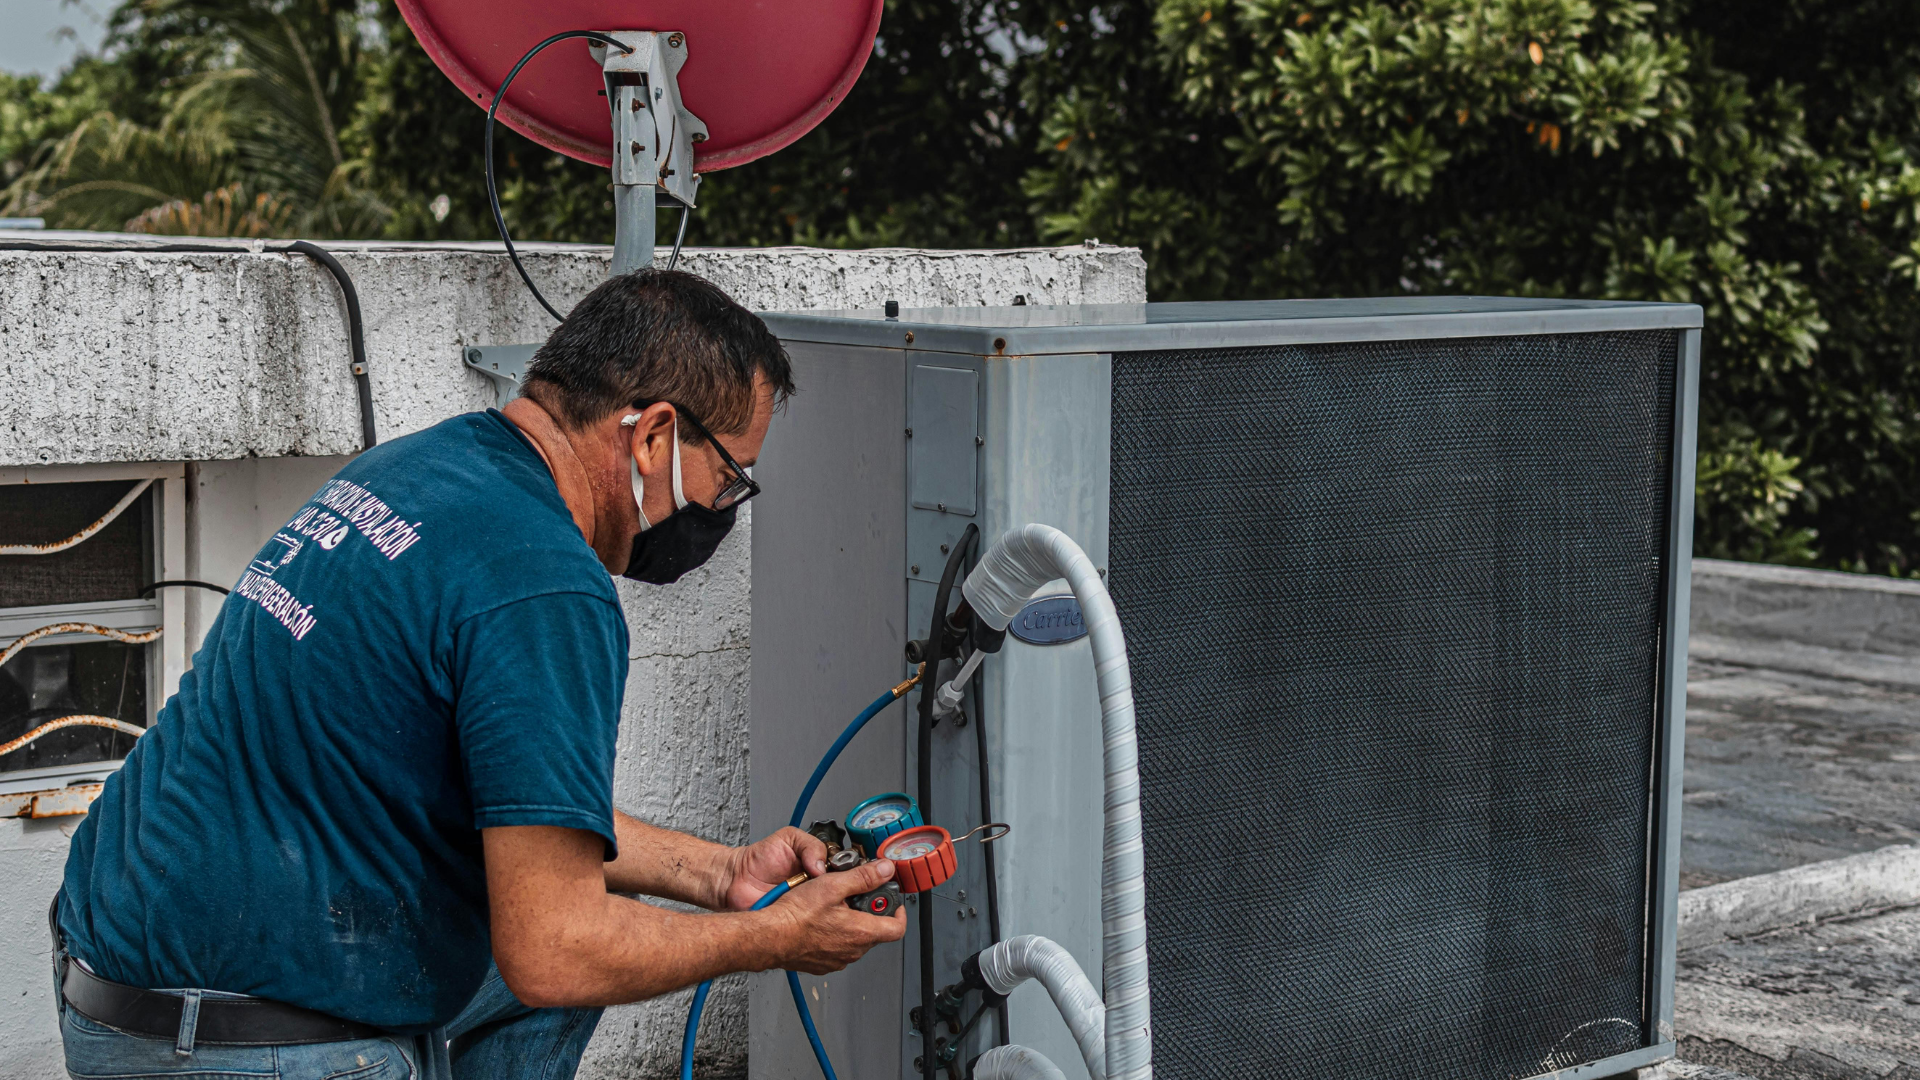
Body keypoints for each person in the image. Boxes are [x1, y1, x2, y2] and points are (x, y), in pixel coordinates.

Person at [51, 268, 905, 1080]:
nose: (720, 510)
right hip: (246, 1038)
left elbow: (524, 816)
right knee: (578, 958)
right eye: (727, 477)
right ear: (652, 437)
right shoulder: (543, 584)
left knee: (553, 971)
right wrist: (779, 937)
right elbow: (556, 950)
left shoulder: (418, 468)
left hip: (117, 970)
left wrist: (722, 877)